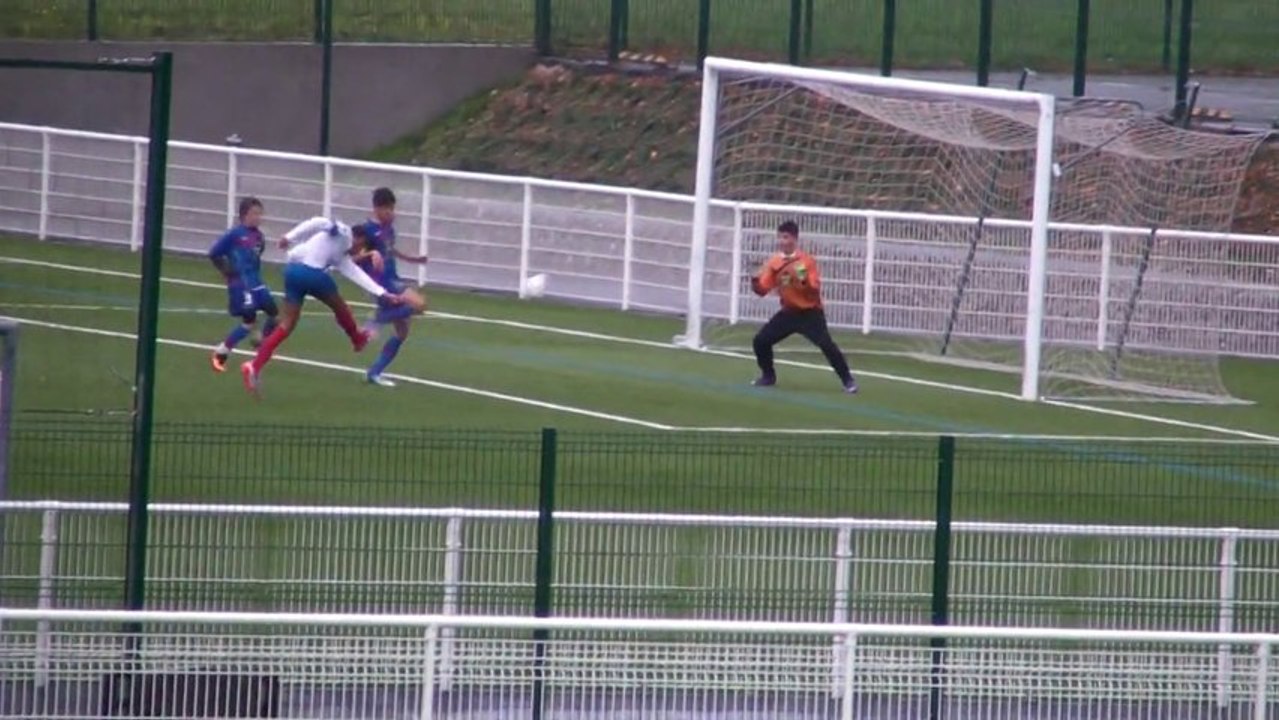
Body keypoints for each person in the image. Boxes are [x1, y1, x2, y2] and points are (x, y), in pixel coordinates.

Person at [240, 216, 404, 397]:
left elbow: (355, 273)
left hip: (292, 273)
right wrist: (290, 236)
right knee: (340, 306)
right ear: (358, 238)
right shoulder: (344, 233)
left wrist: (382, 293)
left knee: (287, 325)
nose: (359, 250)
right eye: (362, 246)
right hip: (312, 274)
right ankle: (357, 339)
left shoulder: (339, 254)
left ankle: (254, 366)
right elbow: (318, 222)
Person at [750, 220, 858, 394]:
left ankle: (848, 380)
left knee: (827, 345)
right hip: (789, 313)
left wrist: (802, 277)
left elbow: (814, 289)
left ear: (794, 239)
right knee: (760, 341)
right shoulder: (775, 262)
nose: (782, 241)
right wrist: (755, 281)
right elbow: (762, 290)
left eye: (786, 237)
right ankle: (768, 376)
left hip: (810, 313)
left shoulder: (807, 261)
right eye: (780, 237)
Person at [354, 187, 428, 387]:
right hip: (381, 283)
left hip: (393, 278)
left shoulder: (389, 229)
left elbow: (389, 250)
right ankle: (377, 319)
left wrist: (412, 259)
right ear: (376, 209)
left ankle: (374, 372)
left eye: (393, 209)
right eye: (388, 209)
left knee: (402, 333)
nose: (392, 213)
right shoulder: (366, 231)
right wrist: (368, 256)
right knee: (419, 304)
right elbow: (352, 257)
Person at [207, 197, 277, 372]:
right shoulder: (234, 234)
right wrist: (227, 270)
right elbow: (214, 253)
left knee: (275, 315)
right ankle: (222, 352)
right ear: (244, 215)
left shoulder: (259, 237)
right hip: (241, 284)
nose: (259, 217)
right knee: (248, 320)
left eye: (260, 213)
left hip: (256, 282)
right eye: (255, 213)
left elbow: (256, 258)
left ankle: (260, 342)